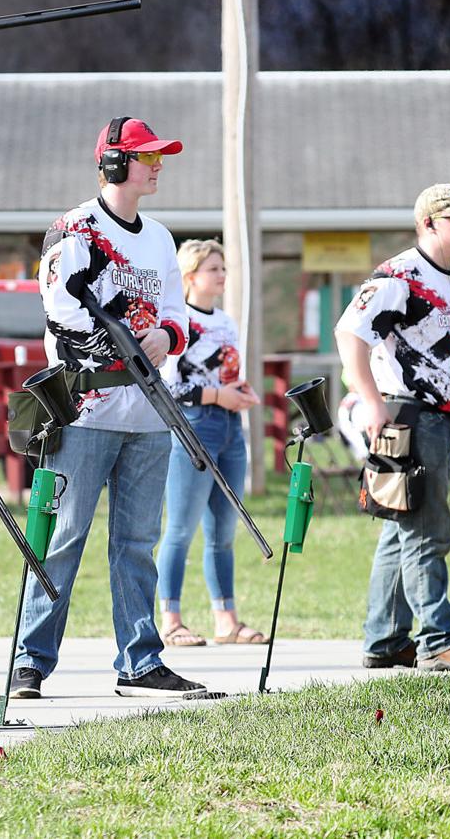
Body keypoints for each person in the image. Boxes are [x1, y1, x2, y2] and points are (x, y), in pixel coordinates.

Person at [9, 116, 222, 701]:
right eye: (146, 156)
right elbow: (62, 311)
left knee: (136, 542)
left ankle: (140, 659)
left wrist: (167, 340)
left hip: (150, 412)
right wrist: (122, 346)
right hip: (85, 407)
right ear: (112, 163)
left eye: (159, 157)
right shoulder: (75, 230)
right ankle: (29, 660)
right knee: (62, 536)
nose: (157, 166)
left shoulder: (158, 236)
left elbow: (178, 312)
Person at [335, 183, 450, 673]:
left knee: (401, 529)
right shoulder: (399, 277)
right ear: (427, 223)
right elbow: (348, 332)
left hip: (442, 419)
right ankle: (440, 639)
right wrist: (372, 401)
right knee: (427, 530)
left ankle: (384, 640)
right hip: (407, 414)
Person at [155, 239, 263, 647]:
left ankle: (226, 619)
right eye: (213, 268)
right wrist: (216, 395)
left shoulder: (226, 321)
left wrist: (239, 390)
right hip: (194, 427)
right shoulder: (178, 323)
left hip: (230, 427)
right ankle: (171, 619)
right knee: (180, 529)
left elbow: (226, 373)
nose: (221, 275)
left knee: (223, 529)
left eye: (223, 268)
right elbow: (169, 387)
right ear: (190, 276)